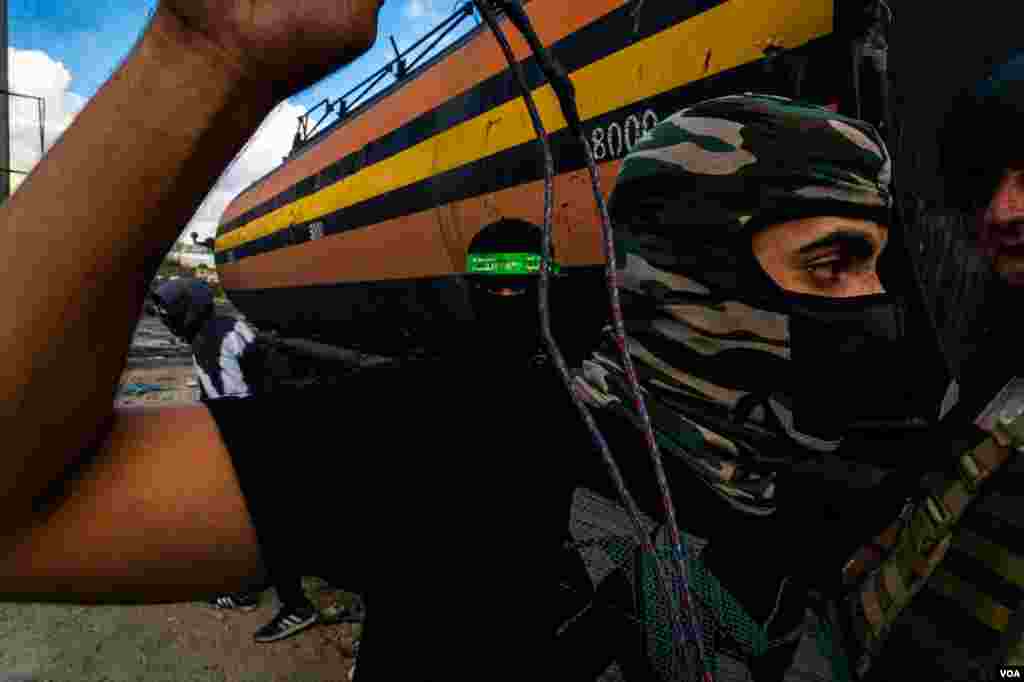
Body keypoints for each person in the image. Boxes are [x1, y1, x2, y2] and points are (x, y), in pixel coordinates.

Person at [0, 3, 961, 680]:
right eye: (831, 262)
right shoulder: (459, 440)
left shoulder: (824, 466)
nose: (874, 304)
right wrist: (199, 56)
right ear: (687, 268)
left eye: (882, 263)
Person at [149, 277, 321, 642]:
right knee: (264, 520)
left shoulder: (210, 342)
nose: (169, 321)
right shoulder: (224, 323)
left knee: (264, 524)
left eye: (172, 314)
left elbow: (234, 411)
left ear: (188, 312)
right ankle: (250, 587)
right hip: (280, 425)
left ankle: (296, 606)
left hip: (262, 440)